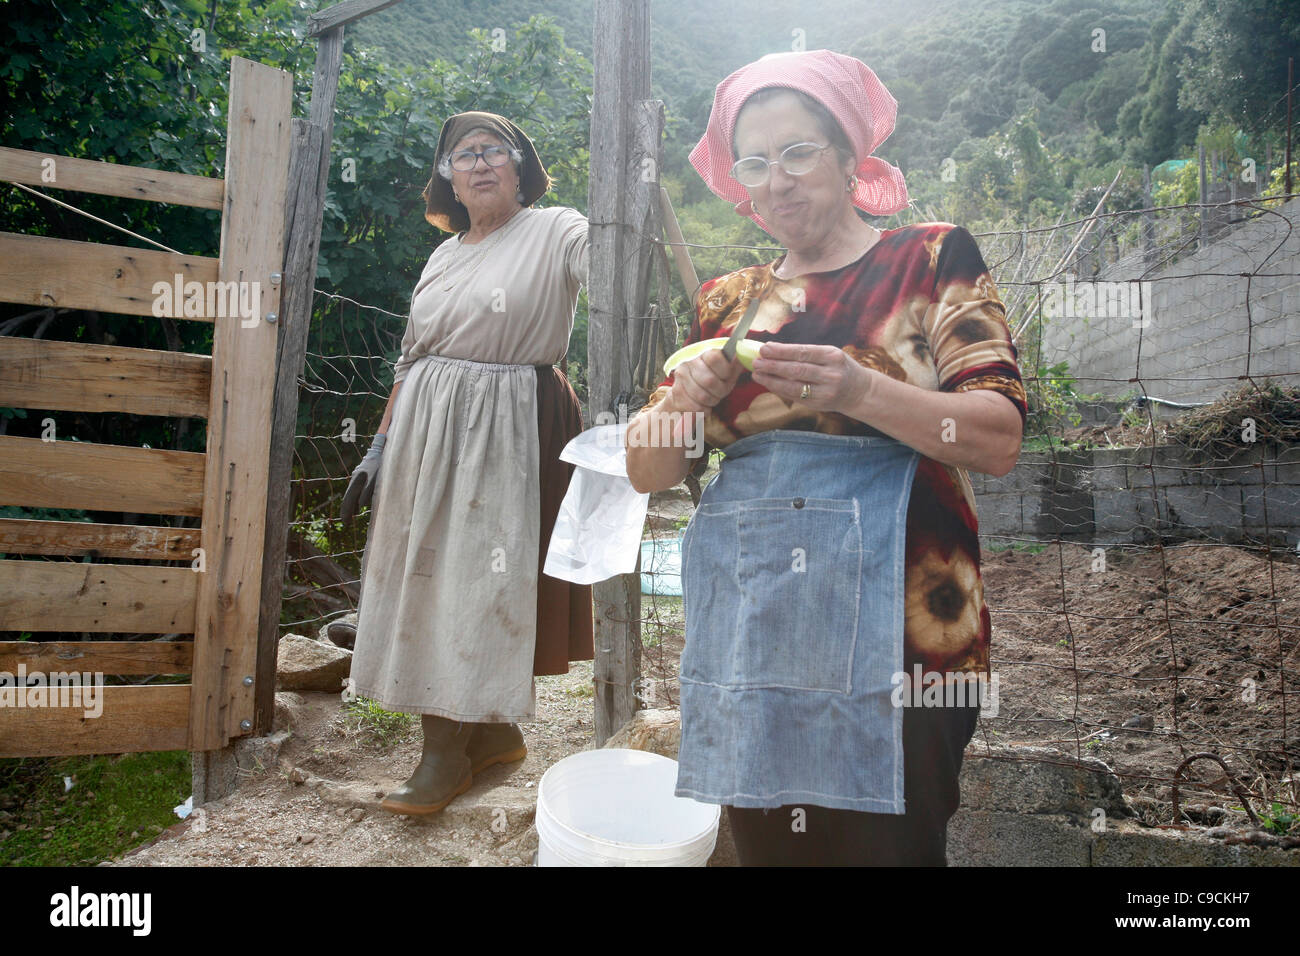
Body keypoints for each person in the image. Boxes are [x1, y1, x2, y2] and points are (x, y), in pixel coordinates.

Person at [626, 51, 1027, 865]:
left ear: (850, 160)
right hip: (758, 622)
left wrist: (860, 391)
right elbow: (647, 471)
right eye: (755, 162)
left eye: (800, 151)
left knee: (894, 844)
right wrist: (683, 402)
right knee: (774, 844)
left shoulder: (930, 257)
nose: (778, 178)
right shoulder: (727, 301)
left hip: (909, 622)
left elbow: (996, 436)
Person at [341, 111, 594, 815]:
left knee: (474, 582)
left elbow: (605, 264)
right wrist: (381, 443)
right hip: (424, 430)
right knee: (423, 579)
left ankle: (442, 757)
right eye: (463, 155)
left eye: (494, 151)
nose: (479, 164)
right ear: (447, 176)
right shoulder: (445, 254)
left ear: (520, 166)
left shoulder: (557, 229)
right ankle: (492, 737)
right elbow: (411, 357)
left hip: (502, 430)